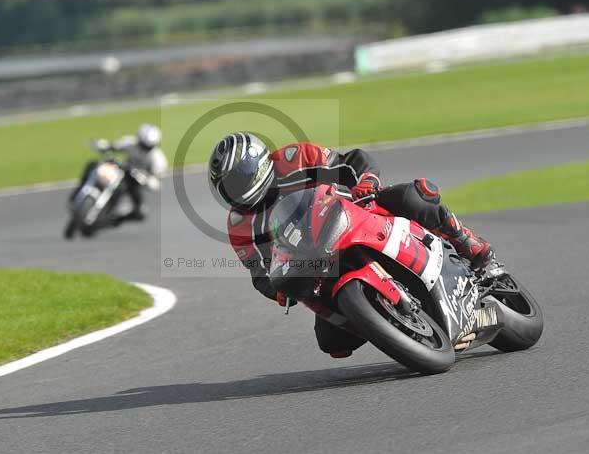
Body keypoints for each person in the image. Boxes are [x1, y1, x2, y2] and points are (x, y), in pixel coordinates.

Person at [208, 132, 501, 359]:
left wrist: (366, 181)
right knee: (332, 343)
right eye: (227, 187)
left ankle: (468, 242)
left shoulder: (294, 157)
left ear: (256, 165)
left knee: (414, 196)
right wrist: (279, 291)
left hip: (354, 212)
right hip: (317, 266)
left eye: (239, 179)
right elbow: (258, 273)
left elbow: (352, 160)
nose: (236, 190)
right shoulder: (240, 225)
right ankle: (401, 326)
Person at [72, 123, 168, 224]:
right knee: (93, 165)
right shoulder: (130, 143)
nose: (143, 148)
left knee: (140, 213)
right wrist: (102, 146)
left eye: (147, 147)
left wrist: (147, 180)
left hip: (136, 183)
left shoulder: (158, 160)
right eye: (142, 144)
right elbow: (113, 146)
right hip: (123, 172)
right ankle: (79, 192)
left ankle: (112, 221)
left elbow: (158, 181)